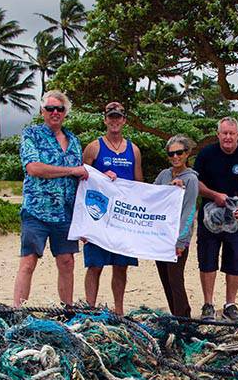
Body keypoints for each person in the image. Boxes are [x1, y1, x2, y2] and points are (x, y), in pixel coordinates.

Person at [12, 90, 88, 307]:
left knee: (67, 262)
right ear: (42, 111)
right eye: (50, 108)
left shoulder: (74, 141)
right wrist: (71, 170)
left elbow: (83, 176)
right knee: (28, 262)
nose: (55, 112)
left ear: (65, 113)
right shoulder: (31, 135)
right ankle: (18, 310)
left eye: (60, 109)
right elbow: (34, 168)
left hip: (66, 214)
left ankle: (67, 309)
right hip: (36, 211)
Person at [193, 116, 238, 321]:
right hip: (210, 217)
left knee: (236, 261)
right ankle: (208, 304)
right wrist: (214, 195)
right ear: (218, 134)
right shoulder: (206, 154)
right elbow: (195, 182)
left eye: (231, 133)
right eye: (224, 133)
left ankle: (230, 304)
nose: (228, 137)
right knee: (207, 260)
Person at [80, 101, 143, 313]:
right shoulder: (94, 147)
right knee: (95, 265)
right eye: (111, 117)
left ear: (124, 120)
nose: (115, 121)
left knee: (121, 266)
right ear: (105, 119)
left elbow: (138, 186)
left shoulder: (133, 150)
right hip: (98, 216)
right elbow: (83, 182)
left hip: (122, 219)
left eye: (119, 117)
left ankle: (119, 309)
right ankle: (90, 307)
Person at [153, 134, 199, 317]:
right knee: (165, 279)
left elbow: (189, 211)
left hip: (178, 238)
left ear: (187, 154)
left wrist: (182, 241)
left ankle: (183, 316)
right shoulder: (164, 175)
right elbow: (150, 197)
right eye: (171, 154)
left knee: (175, 280)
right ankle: (175, 314)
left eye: (179, 153)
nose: (175, 157)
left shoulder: (191, 180)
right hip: (161, 236)